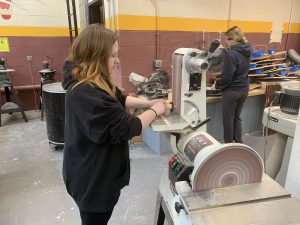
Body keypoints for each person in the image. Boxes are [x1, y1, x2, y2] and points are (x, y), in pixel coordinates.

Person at [61, 24, 167, 225]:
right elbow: (129, 127)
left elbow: (118, 98)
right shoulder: (87, 93)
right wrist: (156, 111)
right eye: (113, 56)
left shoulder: (91, 80)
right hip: (93, 181)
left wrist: (147, 102)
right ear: (96, 56)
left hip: (90, 171)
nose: (117, 61)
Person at [212, 26, 252, 143]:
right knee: (237, 118)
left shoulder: (232, 54)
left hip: (232, 92)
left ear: (234, 39)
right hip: (244, 89)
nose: (226, 42)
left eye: (227, 40)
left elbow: (227, 78)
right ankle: (238, 142)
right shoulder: (247, 50)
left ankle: (229, 145)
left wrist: (217, 85)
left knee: (228, 119)